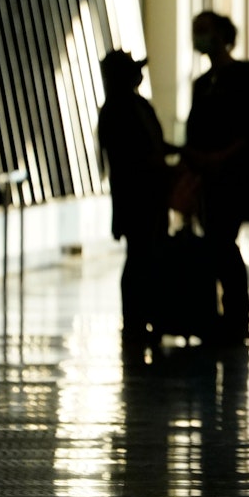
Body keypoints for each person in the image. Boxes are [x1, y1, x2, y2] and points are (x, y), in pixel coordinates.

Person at [183, 11, 249, 345]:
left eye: (203, 30)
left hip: (233, 177)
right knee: (217, 245)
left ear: (222, 35)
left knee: (220, 243)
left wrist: (219, 157)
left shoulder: (246, 78)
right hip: (207, 178)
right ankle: (226, 319)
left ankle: (233, 321)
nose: (198, 37)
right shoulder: (203, 84)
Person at [97, 49, 174, 346]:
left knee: (144, 256)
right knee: (140, 256)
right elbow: (134, 156)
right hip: (137, 198)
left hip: (146, 196)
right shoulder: (120, 110)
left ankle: (143, 319)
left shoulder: (129, 106)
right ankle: (136, 322)